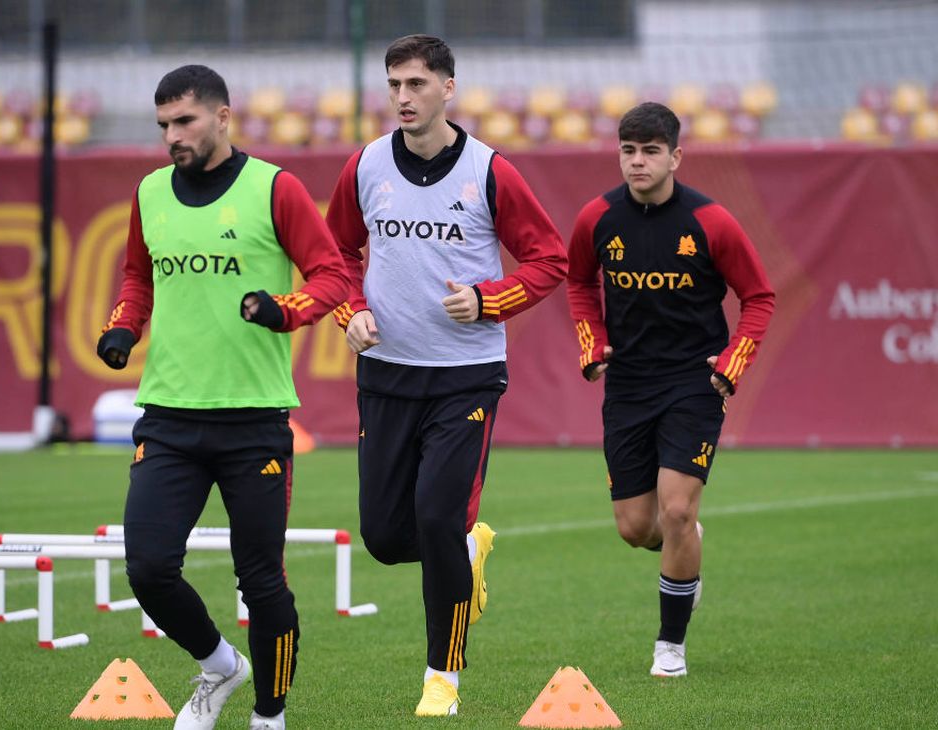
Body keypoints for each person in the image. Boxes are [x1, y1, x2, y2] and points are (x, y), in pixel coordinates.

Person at [95, 65, 349, 730]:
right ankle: (219, 664)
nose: (172, 137)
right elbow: (136, 275)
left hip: (255, 421)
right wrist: (124, 325)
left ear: (223, 117)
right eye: (163, 126)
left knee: (261, 582)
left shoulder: (275, 188)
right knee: (148, 568)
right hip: (170, 416)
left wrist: (282, 309)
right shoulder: (150, 193)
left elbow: (331, 277)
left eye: (184, 122)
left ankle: (270, 715)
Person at [326, 35, 567, 717]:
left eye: (416, 84)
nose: (403, 97)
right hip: (385, 375)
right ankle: (467, 550)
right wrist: (351, 309)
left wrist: (490, 300)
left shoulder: (490, 171)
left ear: (448, 89)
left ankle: (443, 676)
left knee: (434, 517)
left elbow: (548, 261)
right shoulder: (366, 165)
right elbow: (334, 252)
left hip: (465, 377)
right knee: (384, 537)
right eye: (394, 84)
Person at [567, 102, 775, 677]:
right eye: (629, 151)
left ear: (675, 157)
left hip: (694, 382)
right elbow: (579, 282)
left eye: (651, 151)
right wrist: (591, 341)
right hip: (629, 385)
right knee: (637, 528)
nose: (638, 161)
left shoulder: (712, 222)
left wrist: (733, 364)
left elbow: (759, 298)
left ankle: (670, 647)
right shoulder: (597, 219)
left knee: (677, 510)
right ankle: (687, 548)